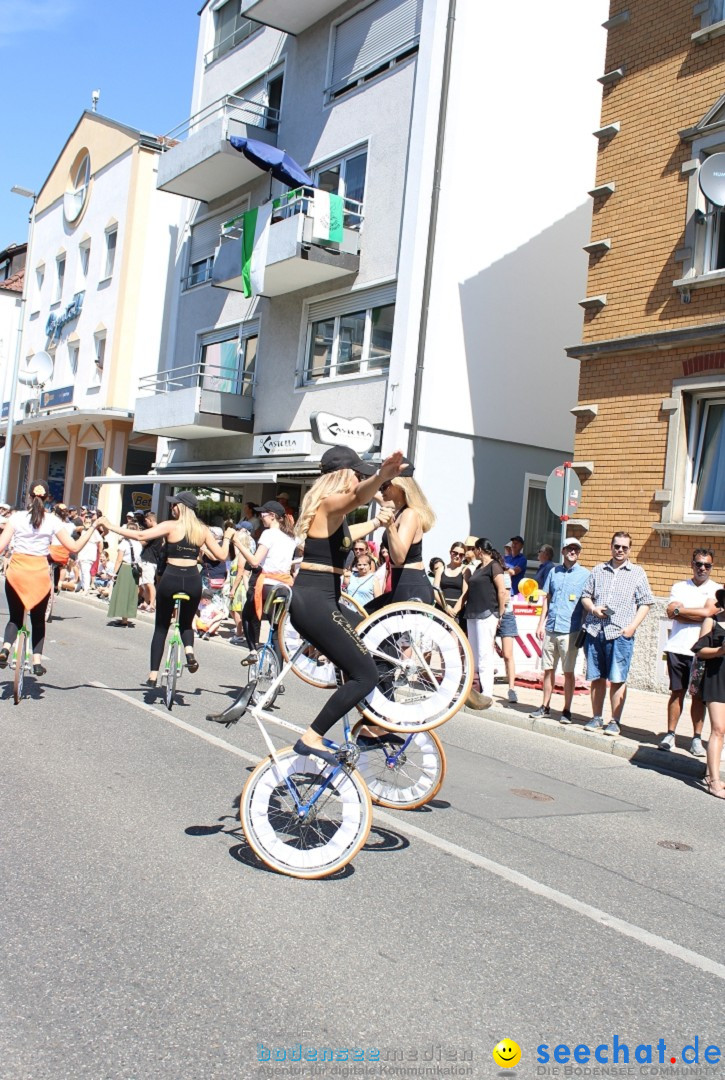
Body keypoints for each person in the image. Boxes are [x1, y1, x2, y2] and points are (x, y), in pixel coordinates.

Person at [287, 445, 406, 764]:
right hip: (314, 601)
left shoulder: (333, 518)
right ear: (342, 476)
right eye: (356, 474)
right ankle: (311, 738)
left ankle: (371, 725)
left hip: (322, 600)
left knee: (373, 653)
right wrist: (381, 475)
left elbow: (345, 537)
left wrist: (377, 521)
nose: (359, 479)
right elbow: (356, 498)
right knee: (365, 674)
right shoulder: (329, 504)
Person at [99, 491, 235, 687]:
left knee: (161, 627)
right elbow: (222, 555)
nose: (172, 508)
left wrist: (110, 526)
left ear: (180, 507)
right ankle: (189, 652)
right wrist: (228, 537)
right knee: (186, 623)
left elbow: (140, 534)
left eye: (174, 505)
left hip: (171, 577)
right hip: (192, 579)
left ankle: (153, 675)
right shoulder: (202, 530)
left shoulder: (170, 526)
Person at [0, 480, 97, 674]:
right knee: (37, 620)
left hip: (17, 572)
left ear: (28, 496)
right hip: (39, 574)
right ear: (48, 498)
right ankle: (36, 661)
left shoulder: (16, 518)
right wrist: (93, 527)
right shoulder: (53, 521)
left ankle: (5, 648)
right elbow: (74, 547)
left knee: (14, 619)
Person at [581, 530, 654, 736]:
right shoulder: (598, 570)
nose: (620, 550)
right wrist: (593, 608)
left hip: (620, 633)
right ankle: (596, 717)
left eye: (624, 547)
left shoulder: (637, 573)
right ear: (611, 547)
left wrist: (632, 627)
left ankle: (615, 721)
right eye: (616, 546)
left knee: (618, 678)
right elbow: (585, 596)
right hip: (595, 631)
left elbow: (646, 602)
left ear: (630, 550)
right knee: (596, 677)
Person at [660, 548, 720, 757]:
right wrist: (697, 614)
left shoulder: (716, 589)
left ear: (712, 567)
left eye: (707, 565)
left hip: (701, 651)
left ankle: (696, 738)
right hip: (677, 647)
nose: (702, 568)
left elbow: (709, 613)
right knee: (677, 692)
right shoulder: (679, 587)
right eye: (698, 564)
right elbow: (670, 611)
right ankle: (670, 734)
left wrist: (682, 612)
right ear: (691, 564)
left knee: (698, 696)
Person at [530, 538, 590, 723]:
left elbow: (587, 602)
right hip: (551, 627)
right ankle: (545, 706)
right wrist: (541, 624)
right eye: (569, 549)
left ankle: (566, 710)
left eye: (576, 549)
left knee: (569, 672)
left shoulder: (585, 575)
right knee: (548, 670)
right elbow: (547, 598)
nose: (573, 552)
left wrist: (584, 629)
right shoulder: (553, 572)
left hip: (570, 630)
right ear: (563, 551)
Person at [366, 459, 435, 609]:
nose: (381, 490)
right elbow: (370, 495)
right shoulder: (399, 510)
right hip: (401, 584)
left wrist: (390, 526)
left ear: (398, 485)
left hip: (411, 586)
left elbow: (398, 558)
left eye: (384, 485)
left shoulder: (409, 514)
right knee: (364, 617)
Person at [238, 500, 297, 665]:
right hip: (285, 587)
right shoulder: (291, 536)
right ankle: (276, 675)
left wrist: (238, 544)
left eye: (263, 513)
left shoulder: (268, 534)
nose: (261, 516)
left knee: (248, 617)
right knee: (277, 630)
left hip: (268, 584)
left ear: (272, 516)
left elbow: (255, 561)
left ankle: (252, 651)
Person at [465, 538, 508, 709]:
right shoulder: (478, 567)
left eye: (474, 549)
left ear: (480, 550)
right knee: (473, 654)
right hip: (473, 613)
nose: (473, 552)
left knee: (484, 654)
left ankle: (487, 693)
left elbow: (502, 591)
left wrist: (500, 614)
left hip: (487, 613)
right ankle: (476, 690)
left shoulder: (494, 566)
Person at [691, 588, 725, 799]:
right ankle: (714, 781)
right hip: (716, 679)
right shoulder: (712, 621)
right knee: (719, 729)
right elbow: (699, 651)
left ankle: (708, 772)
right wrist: (721, 651)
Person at [106, 522, 143, 627]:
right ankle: (125, 618)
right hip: (135, 569)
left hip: (126, 568)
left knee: (122, 593)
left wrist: (114, 573)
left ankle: (124, 619)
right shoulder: (138, 543)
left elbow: (118, 560)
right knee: (130, 593)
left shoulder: (124, 543)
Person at [434, 541, 468, 620]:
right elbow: (435, 591)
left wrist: (453, 612)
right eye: (455, 553)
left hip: (457, 612)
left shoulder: (465, 570)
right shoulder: (441, 569)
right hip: (441, 609)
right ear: (450, 552)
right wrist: (445, 607)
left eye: (461, 555)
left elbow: (465, 593)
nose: (457, 556)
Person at [139, 511, 163, 613]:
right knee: (145, 582)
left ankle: (152, 604)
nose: (146, 523)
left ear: (150, 520)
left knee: (149, 583)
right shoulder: (159, 530)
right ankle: (146, 602)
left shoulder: (154, 531)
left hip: (149, 560)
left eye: (146, 521)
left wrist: (136, 538)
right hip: (150, 559)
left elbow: (143, 542)